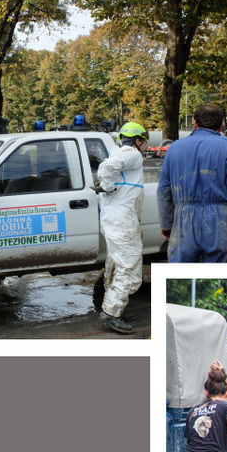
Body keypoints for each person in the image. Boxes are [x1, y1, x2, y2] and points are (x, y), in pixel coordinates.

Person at [158, 104, 227, 263]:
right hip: (218, 221)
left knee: (180, 280)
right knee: (214, 280)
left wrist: (166, 224)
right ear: (221, 126)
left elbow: (164, 191)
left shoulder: (174, 148)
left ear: (195, 123)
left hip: (183, 220)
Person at [94, 122, 148, 334]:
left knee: (116, 263)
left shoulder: (119, 153)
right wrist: (105, 184)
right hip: (122, 221)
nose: (146, 147)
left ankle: (114, 306)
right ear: (137, 141)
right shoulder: (133, 154)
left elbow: (110, 168)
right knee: (131, 268)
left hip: (113, 219)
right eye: (144, 142)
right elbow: (106, 168)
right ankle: (110, 313)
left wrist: (106, 185)